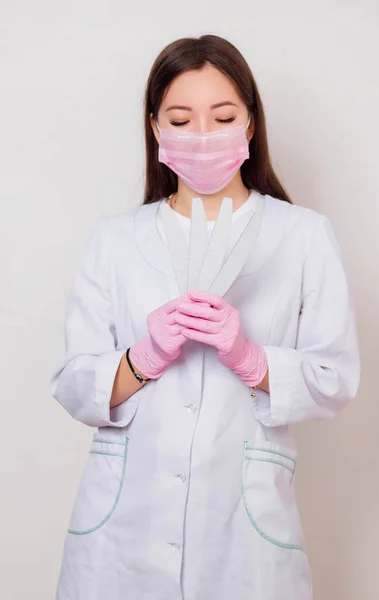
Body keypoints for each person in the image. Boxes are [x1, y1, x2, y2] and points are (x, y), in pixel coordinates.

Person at [50, 34, 360, 600]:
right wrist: (141, 359)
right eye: (180, 118)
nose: (202, 135)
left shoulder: (303, 236)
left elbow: (334, 381)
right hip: (122, 532)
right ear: (154, 127)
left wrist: (253, 360)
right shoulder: (115, 240)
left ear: (249, 123)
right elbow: (73, 384)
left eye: (222, 116)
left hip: (245, 534)